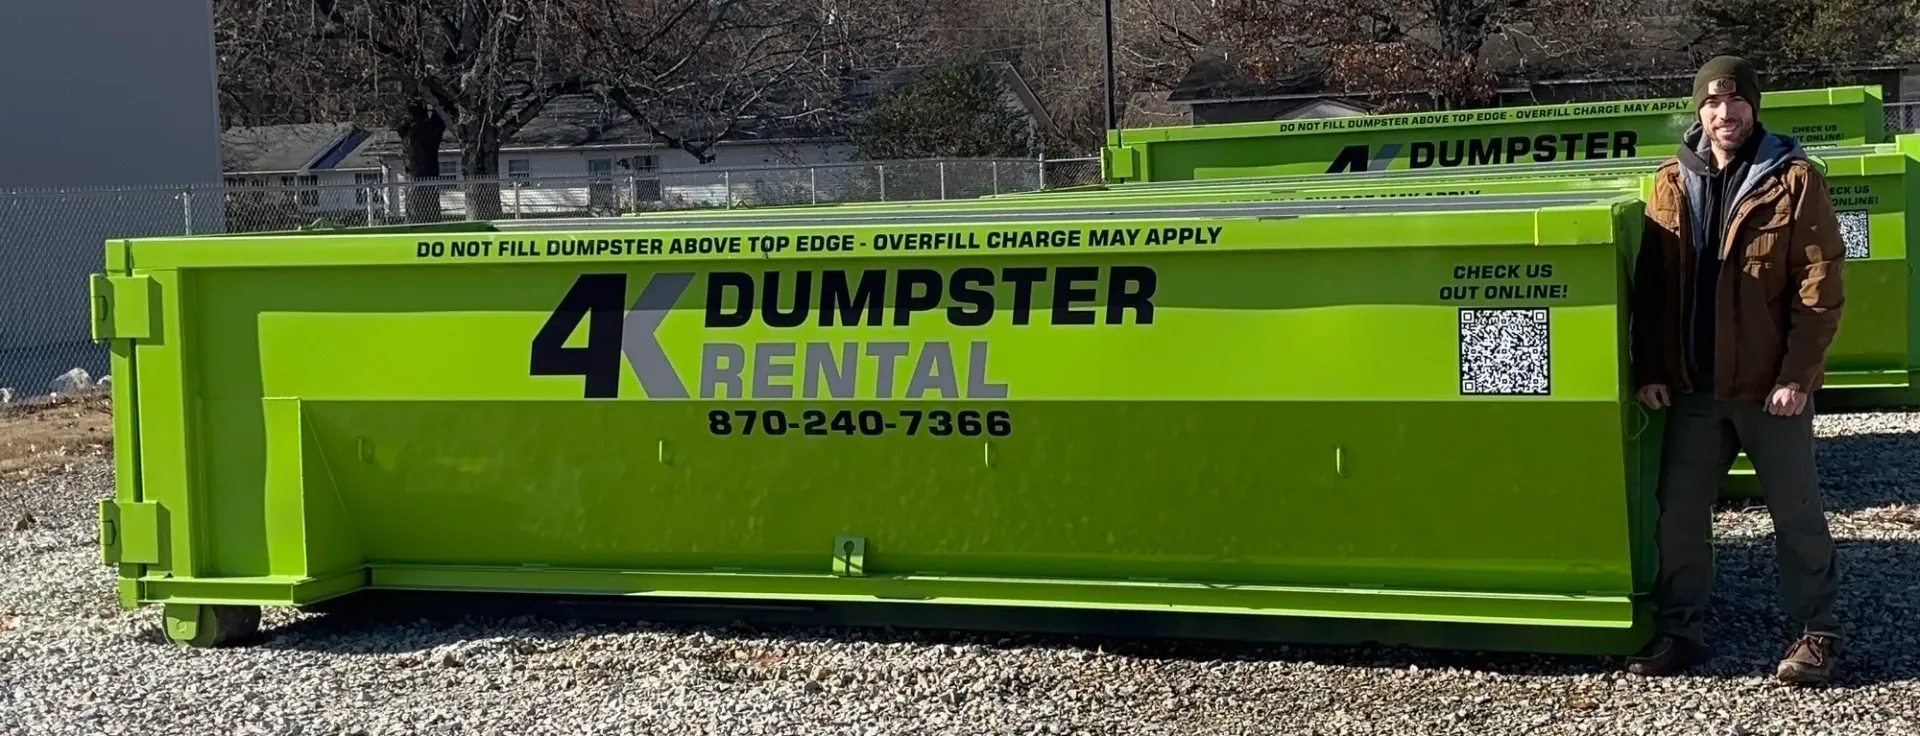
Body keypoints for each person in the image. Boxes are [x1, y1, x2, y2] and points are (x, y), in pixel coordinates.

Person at [1624, 55, 1847, 684]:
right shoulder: (1670, 180)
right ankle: (1680, 629)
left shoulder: (1794, 179)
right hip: (1694, 388)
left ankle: (1820, 631)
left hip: (1766, 389)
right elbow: (1655, 288)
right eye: (1713, 103)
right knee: (1679, 515)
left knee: (1795, 512)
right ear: (1699, 110)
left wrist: (1797, 376)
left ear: (1755, 107)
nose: (1726, 115)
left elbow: (1819, 284)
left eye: (1737, 102)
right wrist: (1652, 366)